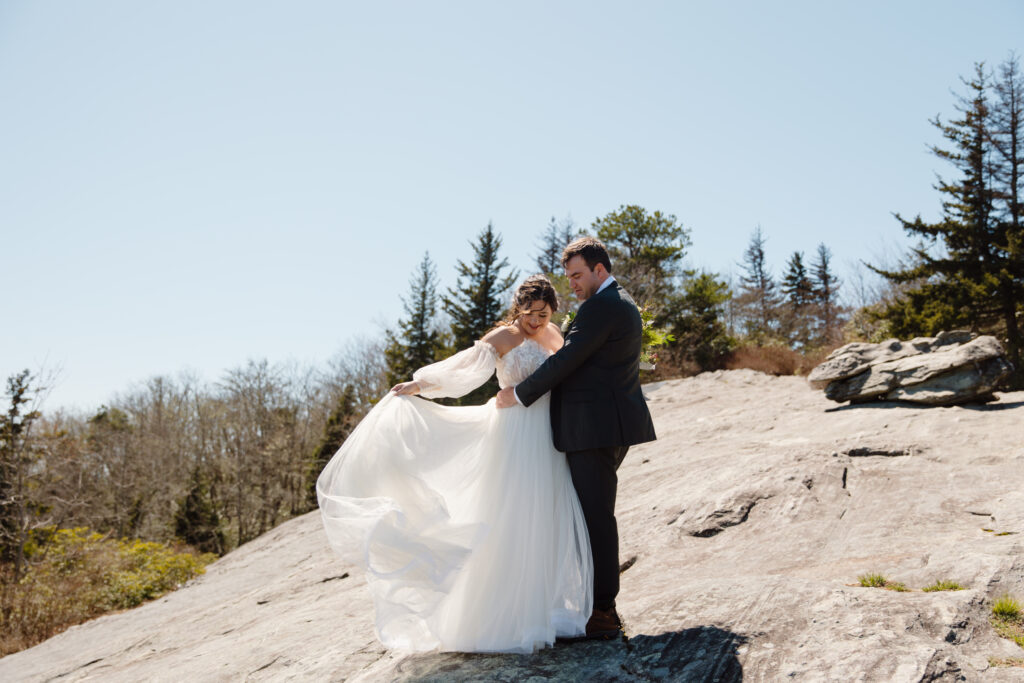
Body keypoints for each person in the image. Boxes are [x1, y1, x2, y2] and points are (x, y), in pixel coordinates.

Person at [316, 275, 593, 654]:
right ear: (518, 309)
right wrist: (419, 386)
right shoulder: (502, 338)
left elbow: (568, 371)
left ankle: (543, 609)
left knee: (545, 517)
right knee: (510, 518)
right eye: (529, 313)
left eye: (543, 314)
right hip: (513, 435)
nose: (535, 321)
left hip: (548, 435)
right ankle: (505, 616)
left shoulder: (553, 336)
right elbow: (463, 372)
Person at [496, 236, 657, 639]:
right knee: (587, 517)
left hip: (593, 430)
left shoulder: (602, 307)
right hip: (600, 427)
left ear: (599, 269)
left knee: (595, 520)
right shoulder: (615, 303)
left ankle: (602, 611)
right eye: (569, 277)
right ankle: (593, 604)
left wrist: (518, 394)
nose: (572, 284)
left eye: (577, 275)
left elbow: (568, 360)